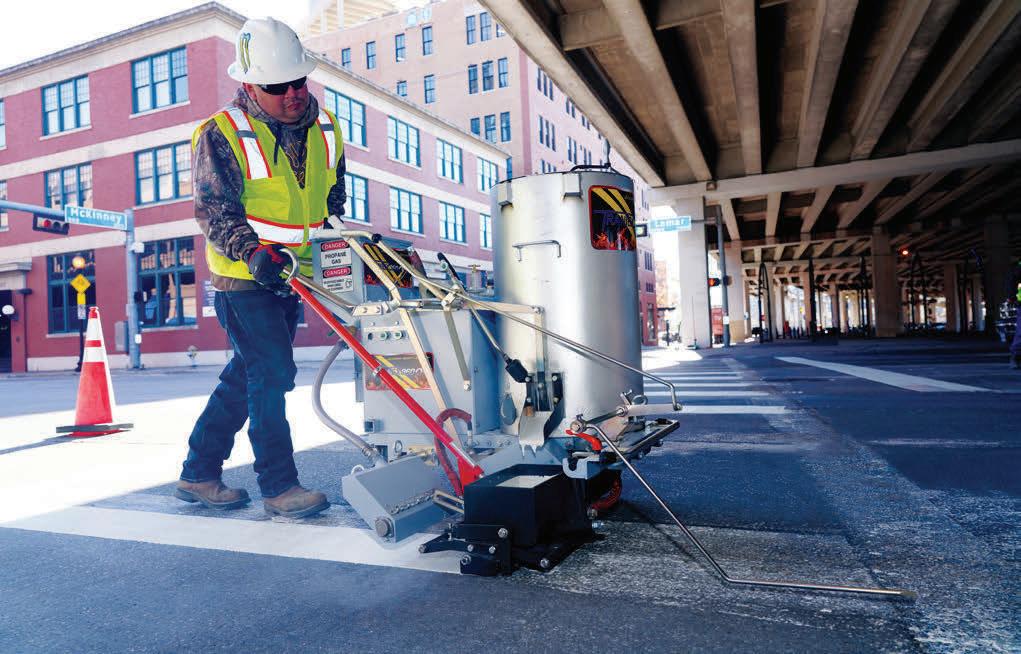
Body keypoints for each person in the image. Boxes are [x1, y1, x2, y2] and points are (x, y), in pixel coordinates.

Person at [175, 17, 346, 518]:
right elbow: (214, 211)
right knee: (271, 373)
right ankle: (279, 486)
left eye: (298, 81)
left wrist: (336, 259)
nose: (291, 93)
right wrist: (253, 253)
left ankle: (198, 472)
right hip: (243, 276)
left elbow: (332, 203)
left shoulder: (326, 128)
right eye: (276, 87)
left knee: (246, 374)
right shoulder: (221, 132)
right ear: (250, 85)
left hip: (295, 275)